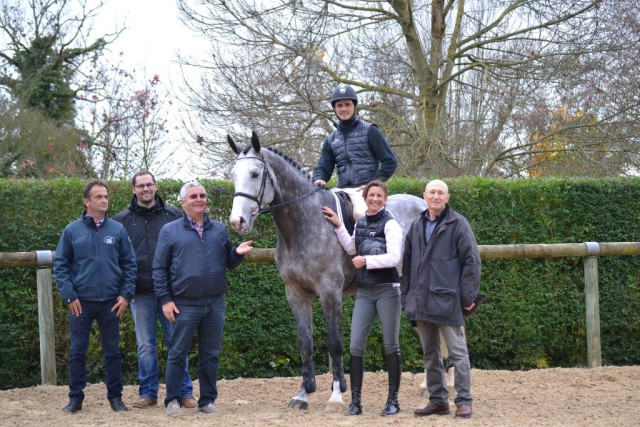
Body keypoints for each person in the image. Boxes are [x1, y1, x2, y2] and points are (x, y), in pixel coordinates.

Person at [153, 181, 254, 417]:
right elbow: (159, 269)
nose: (199, 199)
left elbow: (226, 261)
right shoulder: (170, 231)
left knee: (211, 355)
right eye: (193, 196)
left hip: (214, 303)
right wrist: (165, 299)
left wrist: (236, 254)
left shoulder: (218, 229)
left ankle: (207, 400)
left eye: (202, 195)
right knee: (178, 353)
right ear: (182, 202)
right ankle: (173, 399)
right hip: (183, 303)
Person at [113, 171, 195, 409]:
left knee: (177, 343)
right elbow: (119, 259)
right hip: (140, 293)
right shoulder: (122, 221)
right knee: (146, 345)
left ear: (156, 187)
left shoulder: (174, 215)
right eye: (141, 186)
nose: (146, 189)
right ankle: (148, 392)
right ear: (133, 189)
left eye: (149, 184)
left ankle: (184, 392)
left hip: (171, 293)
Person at [53, 180, 137, 414]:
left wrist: (126, 295)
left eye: (106, 196)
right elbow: (60, 265)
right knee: (78, 351)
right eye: (98, 197)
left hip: (112, 302)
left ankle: (116, 398)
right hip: (81, 303)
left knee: (112, 352)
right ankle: (75, 398)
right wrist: (69, 296)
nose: (104, 200)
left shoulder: (118, 230)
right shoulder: (72, 231)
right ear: (86, 201)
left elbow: (130, 264)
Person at [401, 179, 481, 419]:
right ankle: (438, 400)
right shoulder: (415, 226)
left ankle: (463, 400)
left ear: (447, 198)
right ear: (424, 195)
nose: (436, 196)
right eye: (432, 192)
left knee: (458, 353)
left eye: (441, 193)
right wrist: (407, 297)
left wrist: (468, 296)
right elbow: (406, 264)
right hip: (421, 301)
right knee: (430, 354)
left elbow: (471, 261)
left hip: (448, 300)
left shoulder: (458, 224)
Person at [322, 180, 403, 416]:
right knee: (356, 346)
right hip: (365, 291)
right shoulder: (362, 223)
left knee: (391, 345)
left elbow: (394, 257)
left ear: (385, 199)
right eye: (371, 195)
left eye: (379, 195)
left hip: (387, 289)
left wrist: (367, 261)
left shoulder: (391, 224)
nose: (375, 199)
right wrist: (338, 225)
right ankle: (355, 402)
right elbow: (351, 249)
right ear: (365, 198)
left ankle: (393, 401)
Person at [313, 83, 398, 220]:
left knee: (360, 214)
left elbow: (390, 162)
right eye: (339, 105)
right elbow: (323, 167)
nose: (344, 109)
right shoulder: (331, 140)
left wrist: (372, 184)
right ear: (334, 109)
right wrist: (319, 178)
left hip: (364, 190)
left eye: (347, 104)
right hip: (341, 190)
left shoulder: (370, 131)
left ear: (355, 107)